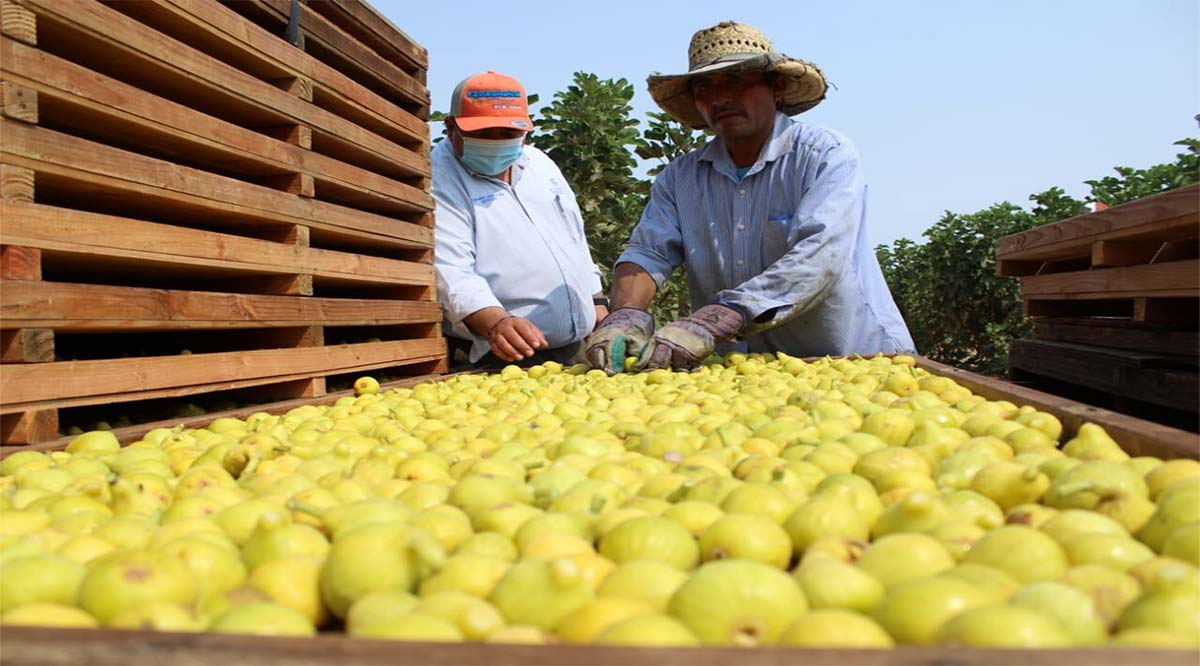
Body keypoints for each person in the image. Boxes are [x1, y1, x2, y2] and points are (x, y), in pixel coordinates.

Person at [585, 21, 914, 373]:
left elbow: (821, 254)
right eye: (705, 87)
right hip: (746, 370)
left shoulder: (824, 155)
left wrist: (720, 316)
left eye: (738, 80)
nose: (720, 98)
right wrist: (625, 315)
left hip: (850, 360)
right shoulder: (681, 178)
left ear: (777, 88)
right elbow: (648, 253)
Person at [432, 71, 609, 369]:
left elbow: (574, 239)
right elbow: (450, 269)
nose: (497, 142)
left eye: (509, 134)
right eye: (484, 134)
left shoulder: (540, 164)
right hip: (500, 356)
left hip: (577, 348)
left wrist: (598, 303)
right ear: (451, 128)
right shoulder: (439, 177)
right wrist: (496, 322)